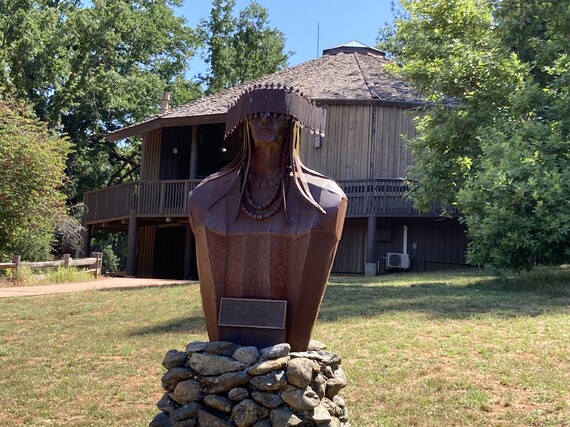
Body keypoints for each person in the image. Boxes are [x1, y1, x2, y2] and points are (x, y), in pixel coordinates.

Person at [188, 85, 347, 351]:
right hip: (226, 353)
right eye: (257, 114)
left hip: (286, 353)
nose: (264, 120)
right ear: (245, 123)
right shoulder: (207, 198)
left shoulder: (325, 200)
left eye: (276, 115)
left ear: (293, 125)